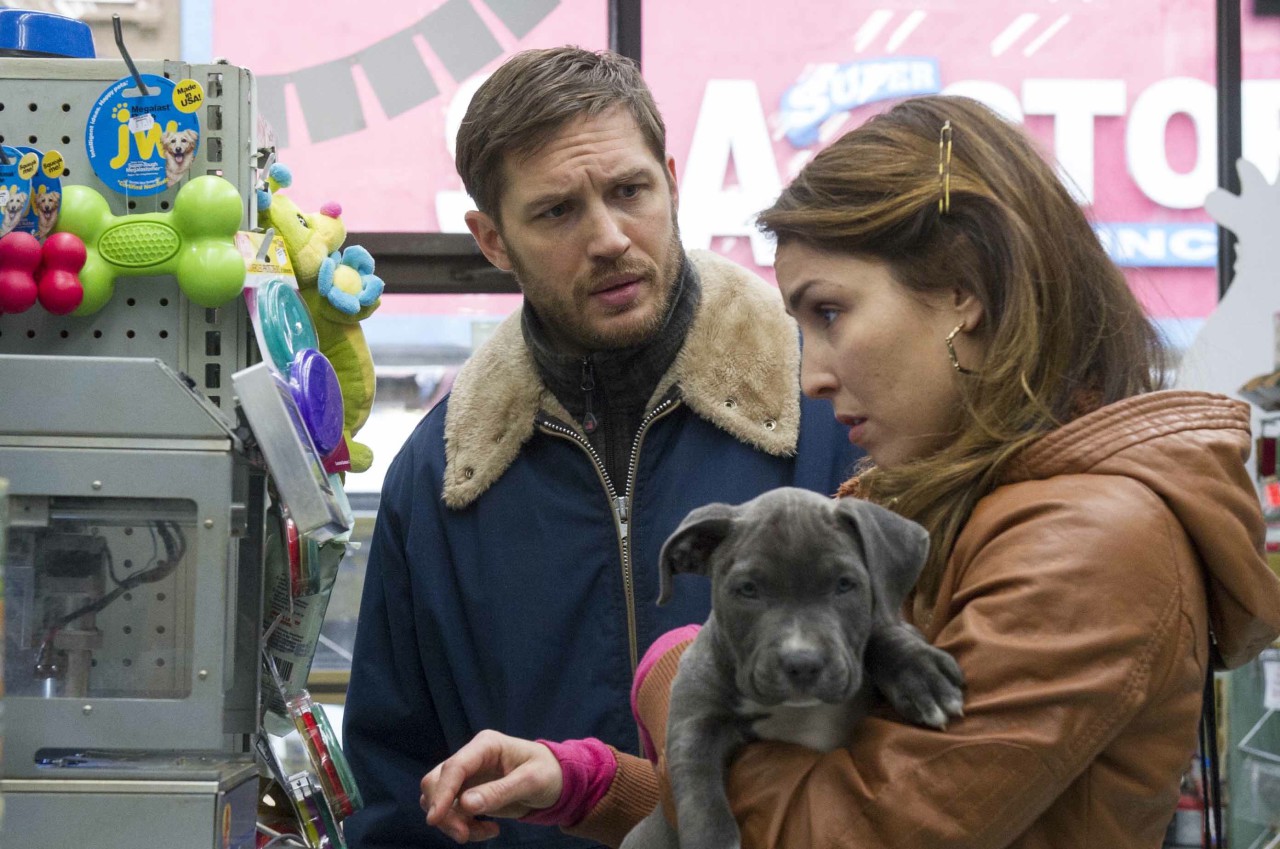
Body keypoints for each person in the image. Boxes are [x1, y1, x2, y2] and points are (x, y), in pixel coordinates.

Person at [419, 94, 1280, 848]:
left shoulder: (1090, 544)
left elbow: (845, 831)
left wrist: (680, 669)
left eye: (830, 311)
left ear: (964, 289)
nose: (811, 375)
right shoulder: (958, 503)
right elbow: (815, 795)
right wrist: (593, 785)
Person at [341, 46, 862, 849]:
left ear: (673, 182)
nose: (610, 237)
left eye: (629, 191)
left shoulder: (835, 412)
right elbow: (396, 790)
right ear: (492, 240)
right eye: (557, 212)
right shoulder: (440, 476)